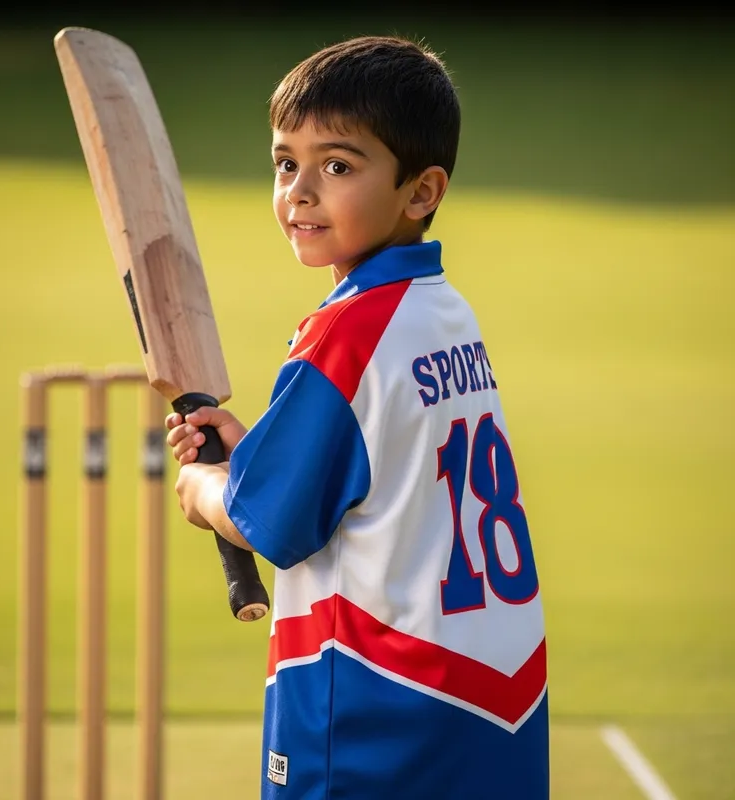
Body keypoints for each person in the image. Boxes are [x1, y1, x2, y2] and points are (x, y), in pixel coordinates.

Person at [166, 34, 549, 799]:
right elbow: (376, 463)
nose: (299, 191)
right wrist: (260, 454)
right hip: (492, 702)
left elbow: (274, 523)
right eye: (285, 164)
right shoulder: (445, 313)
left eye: (337, 166)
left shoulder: (345, 334)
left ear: (421, 190)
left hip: (378, 707)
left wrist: (208, 490)